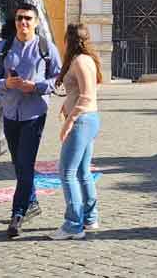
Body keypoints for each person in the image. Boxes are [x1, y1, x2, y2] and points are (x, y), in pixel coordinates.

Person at [0, 3, 61, 239]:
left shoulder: (45, 47)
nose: (24, 23)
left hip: (34, 113)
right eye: (20, 18)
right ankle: (31, 202)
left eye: (28, 18)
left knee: (26, 163)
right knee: (19, 164)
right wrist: (5, 84)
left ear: (36, 22)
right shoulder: (4, 47)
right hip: (10, 112)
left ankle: (17, 214)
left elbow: (58, 79)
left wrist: (36, 87)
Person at [50, 24, 103, 240]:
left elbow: (87, 95)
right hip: (88, 119)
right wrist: (67, 106)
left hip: (82, 121)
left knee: (67, 172)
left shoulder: (81, 61)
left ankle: (73, 225)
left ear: (69, 40)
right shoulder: (86, 60)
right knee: (82, 172)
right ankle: (90, 218)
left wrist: (69, 121)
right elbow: (90, 88)